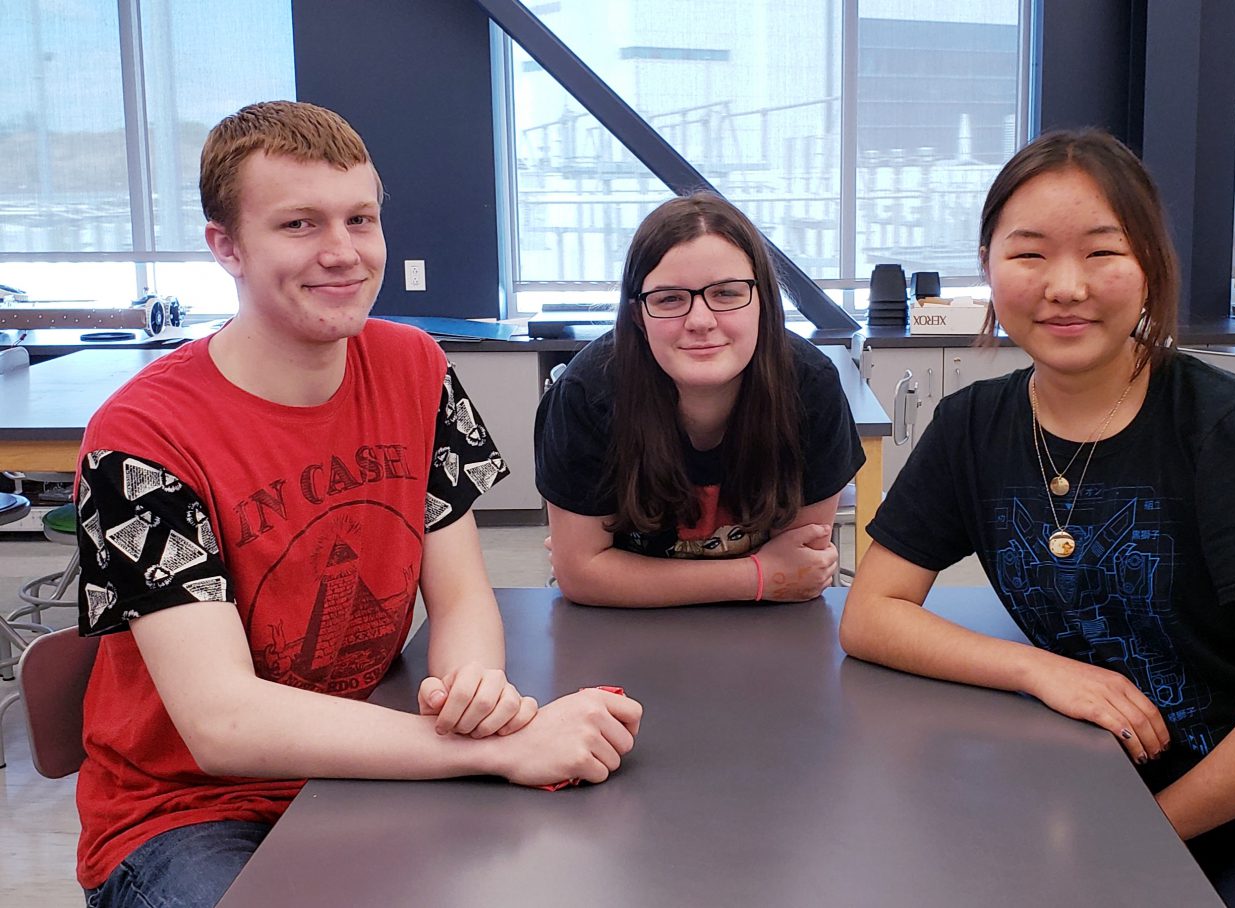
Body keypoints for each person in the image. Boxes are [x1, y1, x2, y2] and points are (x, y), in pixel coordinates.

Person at [72, 101, 643, 908]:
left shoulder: (415, 367)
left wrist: (471, 693)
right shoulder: (140, 439)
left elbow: (461, 596)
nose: (342, 253)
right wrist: (495, 753)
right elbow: (223, 725)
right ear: (225, 247)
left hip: (371, 759)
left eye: (361, 219)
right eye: (299, 224)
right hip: (190, 814)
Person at [839, 129, 1235, 907]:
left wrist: (1144, 839)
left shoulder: (1228, 426)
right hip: (1094, 794)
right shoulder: (974, 428)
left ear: (1150, 266)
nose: (1065, 286)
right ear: (988, 267)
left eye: (1103, 253)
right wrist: (1045, 671)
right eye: (1030, 253)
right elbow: (872, 613)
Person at [535, 193, 864, 607]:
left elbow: (799, 572)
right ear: (639, 314)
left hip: (766, 633)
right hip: (622, 633)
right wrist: (757, 574)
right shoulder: (589, 394)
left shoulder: (809, 388)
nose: (701, 321)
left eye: (726, 293)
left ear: (762, 301)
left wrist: (616, 572)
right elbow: (581, 575)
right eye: (670, 299)